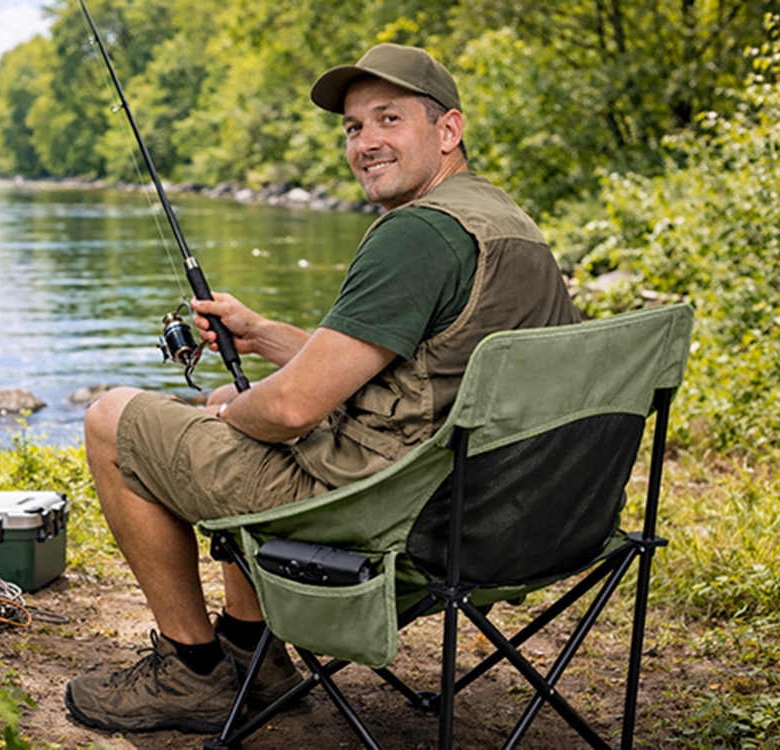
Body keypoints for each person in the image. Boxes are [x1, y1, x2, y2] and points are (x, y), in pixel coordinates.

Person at [65, 42, 581, 734]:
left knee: (112, 418)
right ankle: (252, 650)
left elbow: (289, 408)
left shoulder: (416, 236)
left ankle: (192, 671)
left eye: (389, 119)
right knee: (240, 414)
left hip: (395, 519)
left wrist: (232, 410)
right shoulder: (505, 223)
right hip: (516, 514)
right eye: (353, 127)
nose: (366, 143)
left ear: (448, 130)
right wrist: (262, 333)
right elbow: (409, 367)